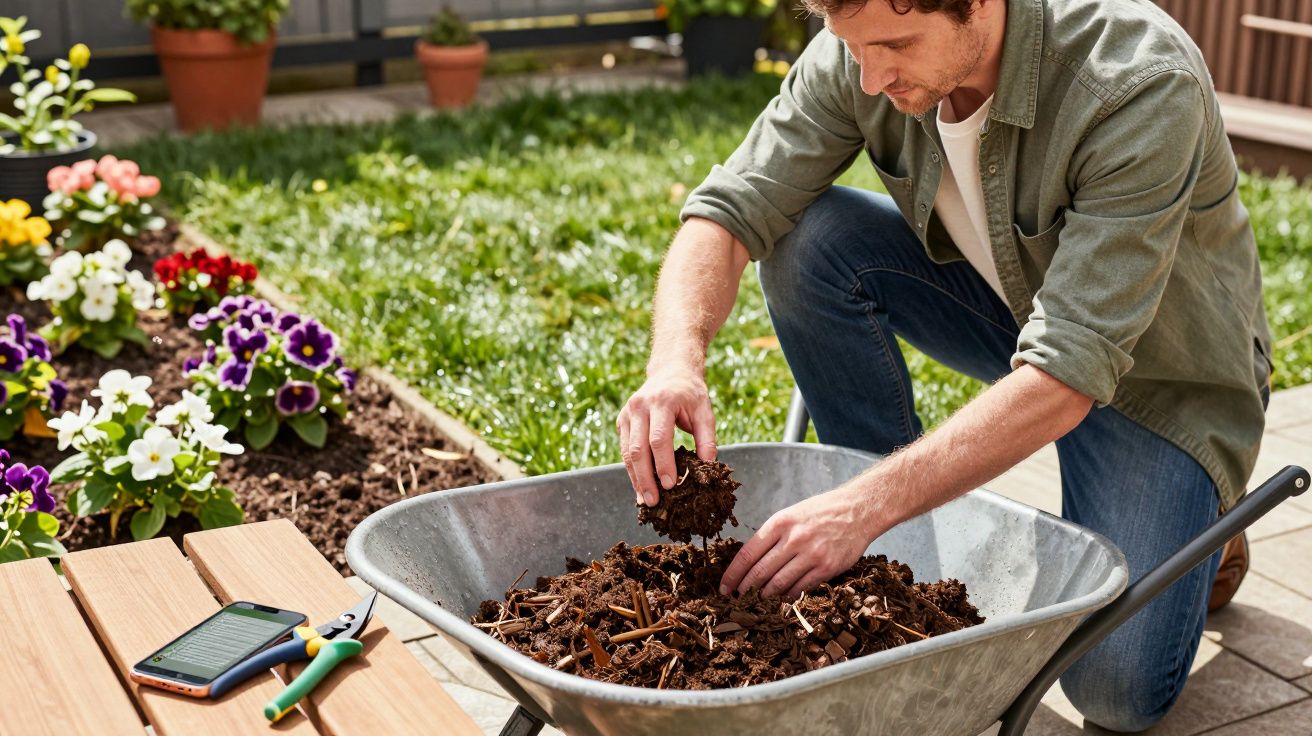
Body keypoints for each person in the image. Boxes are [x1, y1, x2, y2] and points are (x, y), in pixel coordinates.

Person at [616, 0, 1272, 730]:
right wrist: (676, 358)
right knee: (810, 243)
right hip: (1016, 311)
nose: (868, 78)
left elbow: (1069, 370)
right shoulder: (864, 47)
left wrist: (860, 504)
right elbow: (728, 211)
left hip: (1162, 381)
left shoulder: (1137, 81)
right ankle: (882, 555)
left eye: (894, 46)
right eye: (852, 47)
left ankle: (1205, 516)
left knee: (1114, 692)